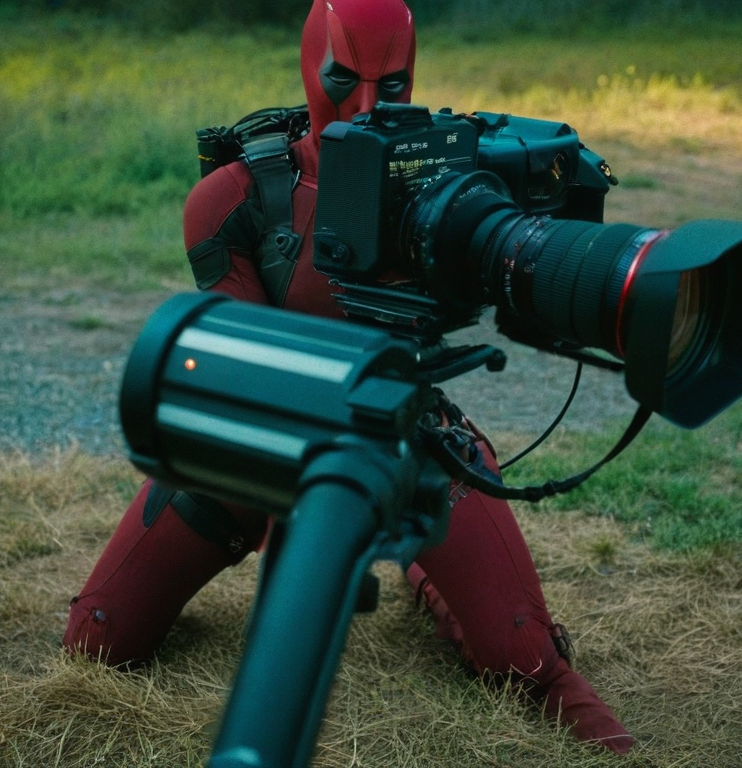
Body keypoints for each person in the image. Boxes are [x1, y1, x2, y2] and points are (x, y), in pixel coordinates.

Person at [64, 0, 635, 755]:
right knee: (98, 642)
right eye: (343, 78)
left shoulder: (455, 190)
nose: (366, 105)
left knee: (525, 657)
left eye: (392, 85)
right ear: (308, 67)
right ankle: (362, 544)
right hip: (257, 438)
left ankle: (418, 569)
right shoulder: (239, 198)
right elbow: (242, 359)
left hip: (404, 440)